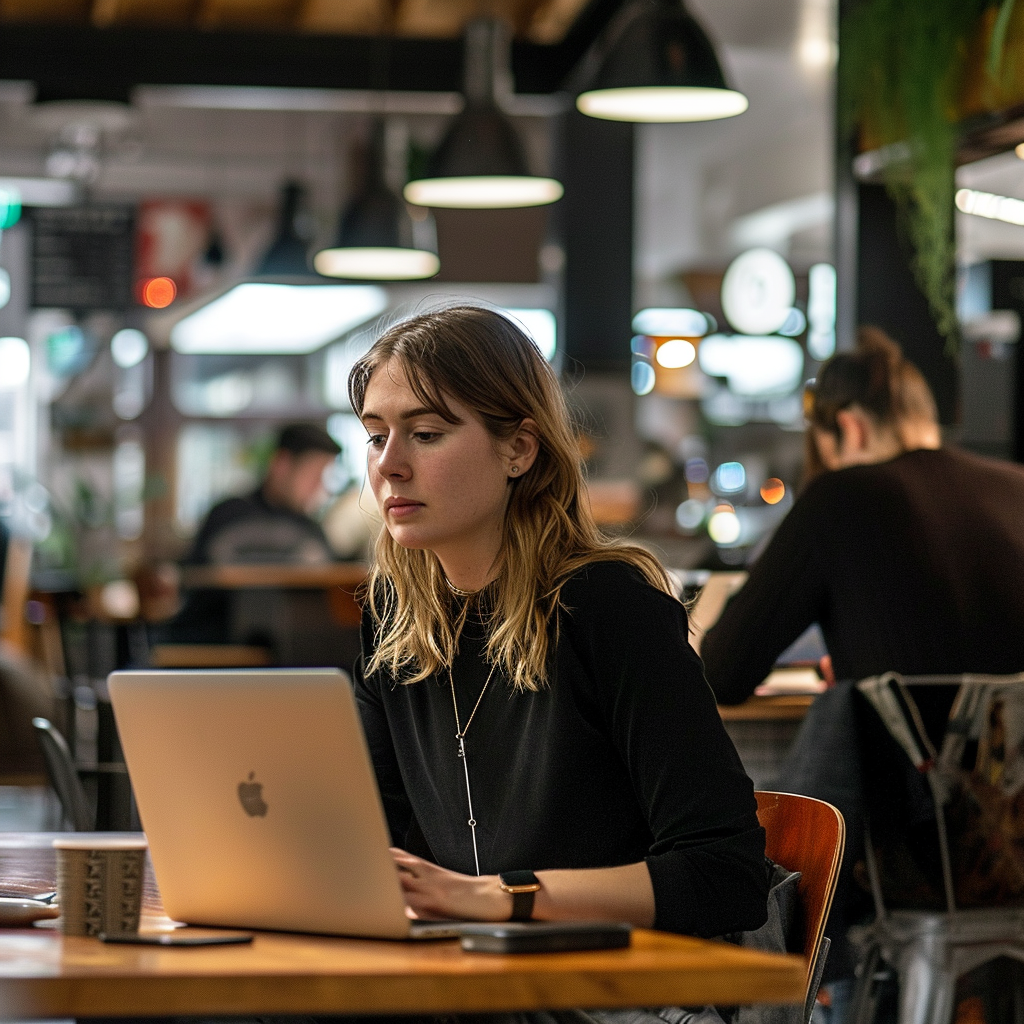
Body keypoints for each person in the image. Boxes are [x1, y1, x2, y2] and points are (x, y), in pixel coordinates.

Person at [347, 306, 768, 1020]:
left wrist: (494, 898)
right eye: (376, 436)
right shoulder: (396, 622)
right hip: (477, 989)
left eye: (425, 433)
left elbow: (725, 875)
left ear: (520, 450)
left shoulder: (608, 608)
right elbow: (365, 839)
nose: (389, 464)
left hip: (617, 996)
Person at [700, 327, 1024, 1021]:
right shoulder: (1015, 488)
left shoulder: (844, 497)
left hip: (917, 853)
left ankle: (803, 997)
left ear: (843, 428)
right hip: (1016, 839)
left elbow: (721, 673)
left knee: (826, 746)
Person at [185, 422, 340, 567]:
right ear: (282, 464)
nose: (319, 487)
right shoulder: (225, 518)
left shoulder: (311, 531)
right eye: (313, 475)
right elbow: (194, 582)